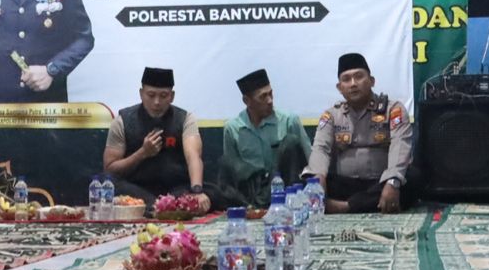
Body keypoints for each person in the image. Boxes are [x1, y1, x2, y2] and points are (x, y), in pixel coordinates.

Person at [308, 53, 414, 214]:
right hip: (345, 185)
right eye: (346, 79)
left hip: (380, 183)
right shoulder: (332, 115)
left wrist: (392, 181)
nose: (353, 84)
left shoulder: (393, 110)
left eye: (359, 77)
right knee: (308, 180)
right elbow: (320, 148)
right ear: (339, 88)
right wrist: (318, 177)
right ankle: (364, 204)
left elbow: (401, 145)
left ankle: (343, 207)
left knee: (413, 178)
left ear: (372, 81)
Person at [102, 67, 212, 210]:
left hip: (176, 188)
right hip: (136, 189)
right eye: (151, 95)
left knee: (214, 192)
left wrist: (197, 191)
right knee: (106, 183)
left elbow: (193, 157)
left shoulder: (185, 119)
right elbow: (110, 169)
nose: (157, 102)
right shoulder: (122, 120)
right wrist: (142, 153)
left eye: (163, 96)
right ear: (141, 94)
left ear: (172, 96)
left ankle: (158, 206)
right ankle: (160, 206)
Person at [215, 68, 311, 209]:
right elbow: (232, 171)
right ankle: (250, 207)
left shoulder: (288, 121)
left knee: (290, 142)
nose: (270, 100)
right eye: (263, 97)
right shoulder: (233, 128)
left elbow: (309, 162)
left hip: (284, 187)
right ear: (247, 101)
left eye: (271, 94)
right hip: (252, 191)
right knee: (225, 162)